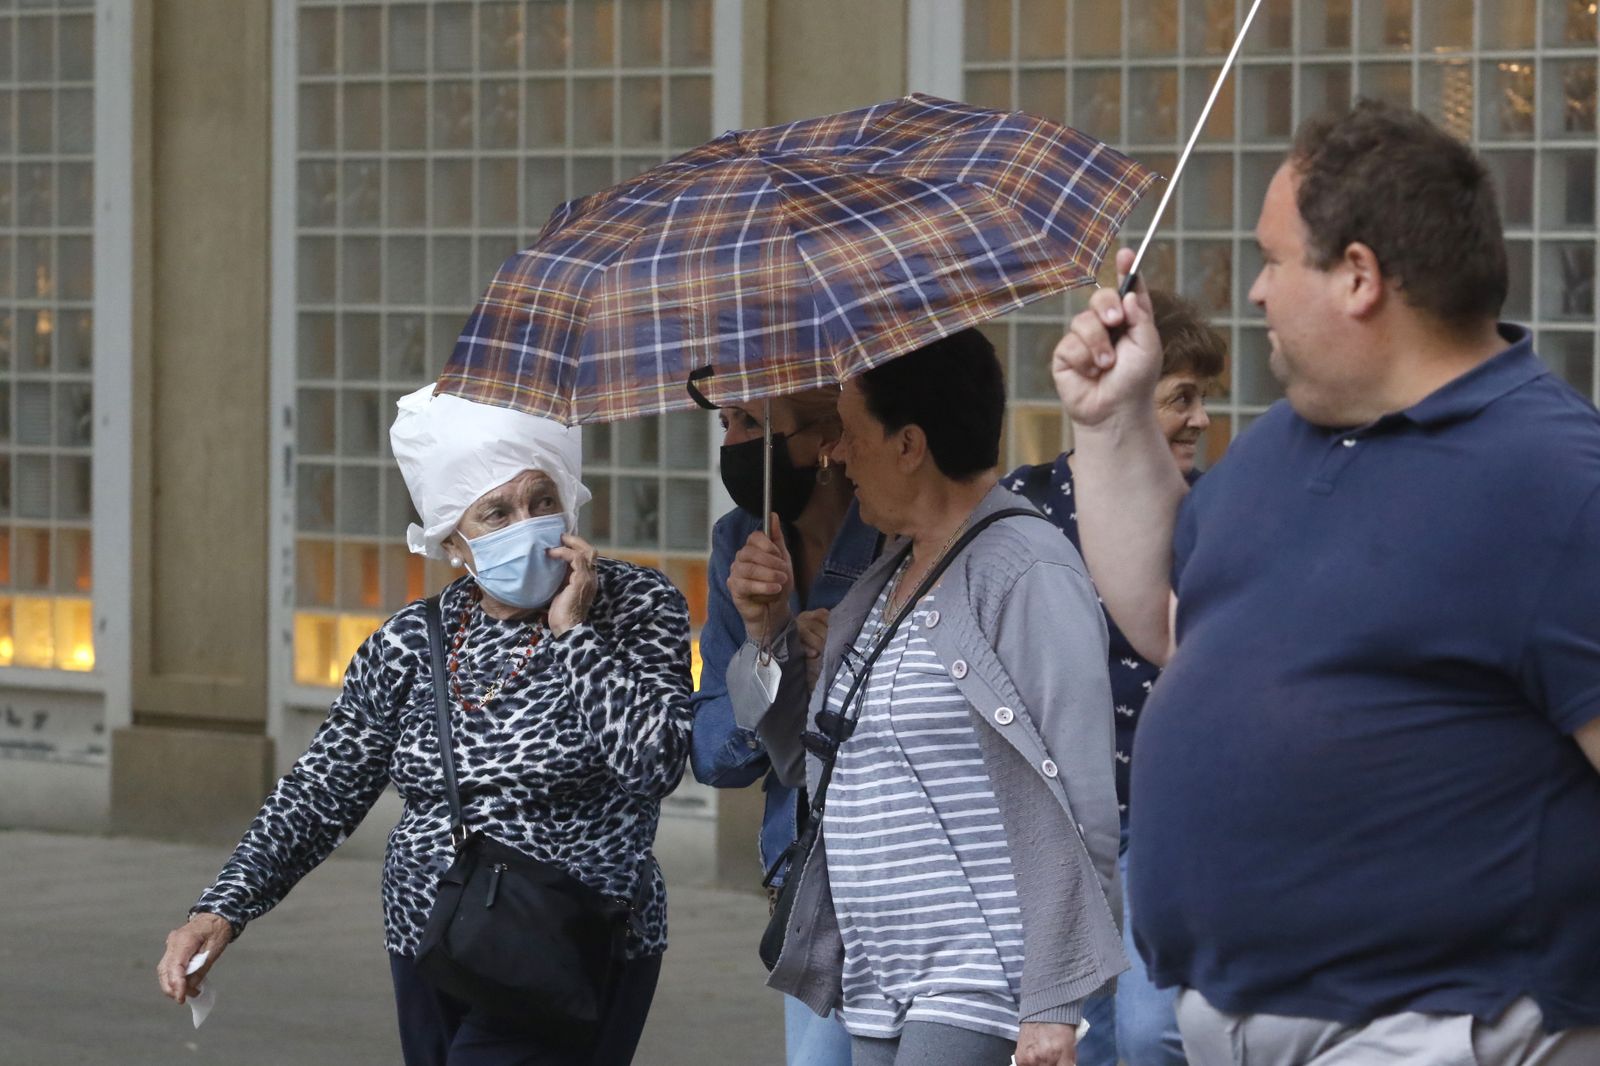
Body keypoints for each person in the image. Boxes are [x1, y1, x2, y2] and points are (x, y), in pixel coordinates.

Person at [1053, 100, 1600, 1065]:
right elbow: (1168, 621)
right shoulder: (1288, 440)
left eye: (1272, 260)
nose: (1255, 292)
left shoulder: (1555, 480)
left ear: (1358, 277)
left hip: (1439, 1027)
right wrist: (1110, 421)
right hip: (1233, 1016)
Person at [155, 384, 694, 1066]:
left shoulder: (637, 606)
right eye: (495, 512)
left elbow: (654, 762)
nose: (526, 524)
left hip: (572, 942)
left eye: (542, 500)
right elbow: (324, 787)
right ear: (453, 543)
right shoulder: (413, 639)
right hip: (432, 941)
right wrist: (222, 909)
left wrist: (573, 634)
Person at [727, 329, 1126, 1066]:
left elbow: (1082, 796)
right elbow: (802, 765)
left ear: (909, 444)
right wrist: (769, 629)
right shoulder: (883, 580)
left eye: (849, 432)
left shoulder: (1025, 569)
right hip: (880, 979)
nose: (835, 455)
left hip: (976, 979)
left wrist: (1053, 1004)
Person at [1007, 288, 1223, 1066]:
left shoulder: (1206, 513)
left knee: (1151, 1031)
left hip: (1165, 816)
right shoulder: (1023, 506)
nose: (1200, 419)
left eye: (1203, 399)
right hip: (1061, 818)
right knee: (1081, 1035)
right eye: (1181, 398)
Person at [689, 388, 875, 1066]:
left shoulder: (891, 527)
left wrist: (842, 664)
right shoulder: (740, 543)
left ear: (828, 439)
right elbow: (714, 752)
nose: (734, 443)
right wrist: (769, 653)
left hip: (890, 852)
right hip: (801, 871)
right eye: (727, 421)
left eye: (754, 424)